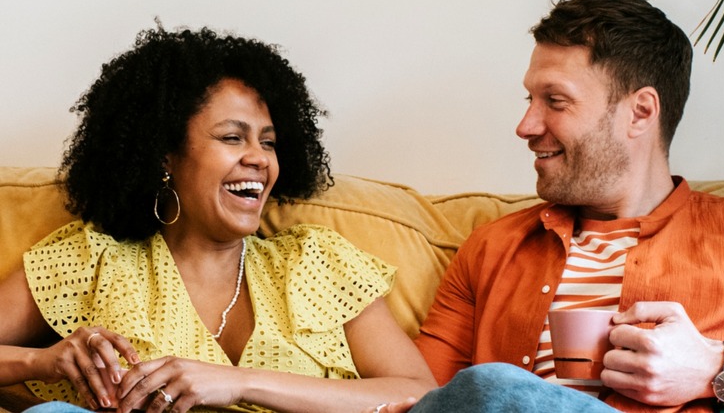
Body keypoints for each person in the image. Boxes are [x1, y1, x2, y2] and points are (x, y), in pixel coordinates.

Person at [374, 0, 724, 413]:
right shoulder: (491, 250)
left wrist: (715, 365)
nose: (526, 125)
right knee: (489, 388)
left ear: (640, 112)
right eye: (529, 100)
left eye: (555, 101)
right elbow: (423, 398)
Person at [0, 25, 436, 413]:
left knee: (495, 385)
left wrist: (239, 383)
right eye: (232, 137)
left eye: (268, 142)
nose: (259, 158)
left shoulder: (317, 261)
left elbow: (421, 394)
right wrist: (44, 360)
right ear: (164, 155)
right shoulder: (89, 259)